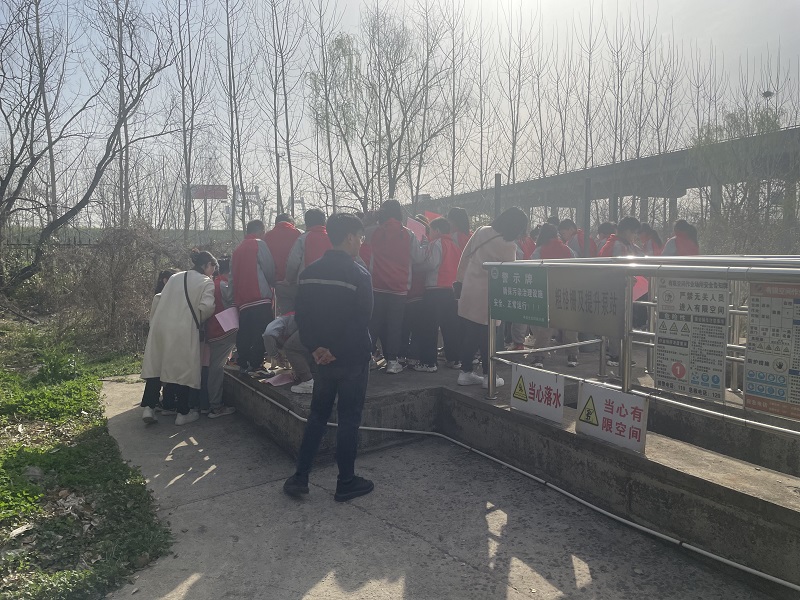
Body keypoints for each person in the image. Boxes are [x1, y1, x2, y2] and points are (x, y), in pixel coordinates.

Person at [283, 213, 374, 502]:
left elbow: (302, 316)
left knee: (318, 416)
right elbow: (361, 321)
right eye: (360, 237)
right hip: (351, 359)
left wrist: (316, 348)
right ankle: (346, 482)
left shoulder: (309, 273)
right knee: (348, 419)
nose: (361, 242)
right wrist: (336, 349)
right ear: (349, 237)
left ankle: (300, 477)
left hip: (322, 361)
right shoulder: (359, 275)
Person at [455, 206, 529, 389]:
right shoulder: (509, 245)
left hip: (470, 289)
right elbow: (508, 274)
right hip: (489, 295)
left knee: (470, 333)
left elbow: (465, 255)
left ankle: (465, 372)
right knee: (488, 336)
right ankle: (489, 376)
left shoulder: (481, 231)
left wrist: (460, 280)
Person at [140, 250, 217, 426]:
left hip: (161, 325)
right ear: (207, 265)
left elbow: (159, 298)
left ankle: (149, 408)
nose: (213, 271)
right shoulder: (206, 282)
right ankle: (183, 413)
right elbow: (206, 308)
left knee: (157, 366)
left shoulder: (176, 277)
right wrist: (195, 321)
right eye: (213, 267)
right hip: (183, 329)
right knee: (184, 370)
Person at [367, 200, 426, 374]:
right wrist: (424, 245)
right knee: (395, 326)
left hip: (376, 285)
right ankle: (392, 362)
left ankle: (367, 359)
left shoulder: (373, 232)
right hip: (399, 288)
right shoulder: (408, 234)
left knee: (373, 324)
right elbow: (419, 258)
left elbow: (363, 242)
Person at [527, 224, 580, 369]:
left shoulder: (539, 250)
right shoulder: (568, 249)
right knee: (570, 326)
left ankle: (539, 357)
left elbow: (532, 270)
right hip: (567, 291)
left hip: (548, 291)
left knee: (545, 327)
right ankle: (572, 356)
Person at [415, 218, 462, 372]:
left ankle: (429, 363)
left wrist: (415, 268)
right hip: (451, 290)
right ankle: (454, 359)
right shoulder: (455, 245)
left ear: (437, 230)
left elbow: (431, 263)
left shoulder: (436, 243)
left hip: (435, 290)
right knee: (451, 327)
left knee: (429, 327)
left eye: (430, 230)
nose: (429, 233)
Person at [230, 220, 276, 374]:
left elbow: (232, 278)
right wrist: (272, 284)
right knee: (261, 332)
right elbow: (269, 268)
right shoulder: (259, 244)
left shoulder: (237, 250)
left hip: (243, 301)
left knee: (245, 333)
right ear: (261, 231)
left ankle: (243, 363)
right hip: (260, 296)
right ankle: (256, 365)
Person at [203, 256, 237, 418]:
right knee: (216, 369)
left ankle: (211, 404)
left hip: (214, 329)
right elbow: (232, 302)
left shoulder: (213, 283)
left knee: (214, 367)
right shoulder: (224, 284)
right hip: (224, 330)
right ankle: (215, 406)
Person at [262, 313, 315, 394]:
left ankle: (308, 382)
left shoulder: (274, 328)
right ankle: (313, 376)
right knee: (304, 349)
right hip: (317, 323)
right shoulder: (282, 327)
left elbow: (267, 335)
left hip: (309, 324)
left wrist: (275, 355)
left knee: (290, 348)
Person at [264, 214, 302, 313]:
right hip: (297, 283)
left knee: (286, 314)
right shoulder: (300, 234)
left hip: (278, 285)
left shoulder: (267, 237)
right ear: (292, 223)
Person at [284, 209, 333, 285]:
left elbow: (293, 263)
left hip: (307, 283)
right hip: (331, 282)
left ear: (306, 223)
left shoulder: (302, 238)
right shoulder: (333, 238)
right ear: (324, 222)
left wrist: (288, 280)